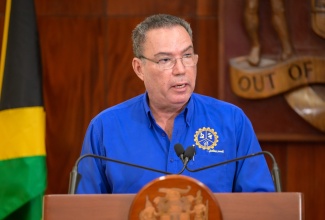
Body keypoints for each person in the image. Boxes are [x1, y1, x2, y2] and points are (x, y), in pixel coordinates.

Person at [76, 14, 275, 194]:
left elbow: (260, 205)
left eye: (187, 56)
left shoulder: (232, 121)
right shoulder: (106, 127)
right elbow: (85, 210)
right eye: (165, 60)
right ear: (139, 68)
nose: (180, 69)